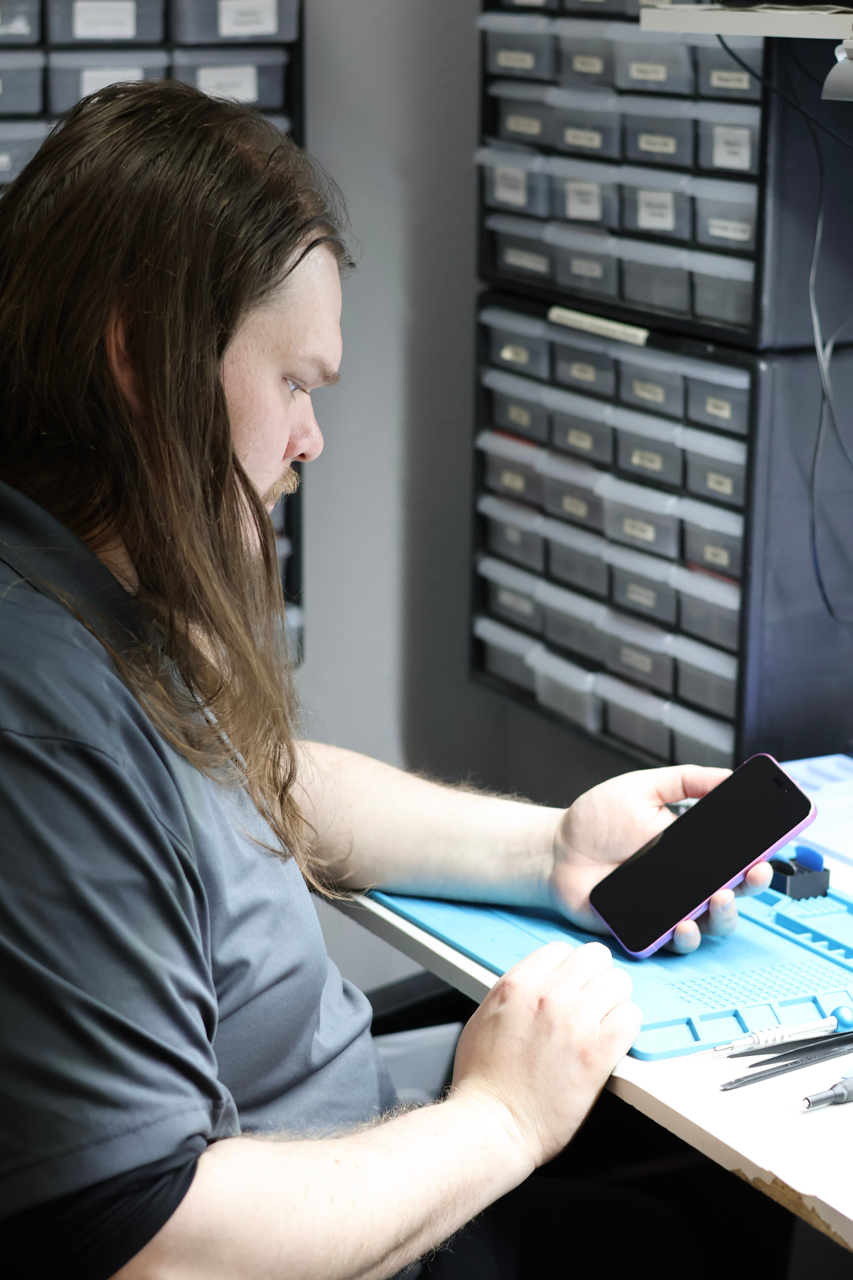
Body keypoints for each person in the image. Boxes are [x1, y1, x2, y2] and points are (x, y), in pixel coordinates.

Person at [0, 82, 771, 1280]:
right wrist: (497, 1119)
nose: (311, 440)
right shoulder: (44, 715)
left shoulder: (90, 575)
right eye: (295, 383)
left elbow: (263, 785)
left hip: (324, 1123)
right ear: (138, 355)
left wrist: (549, 847)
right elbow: (154, 1246)